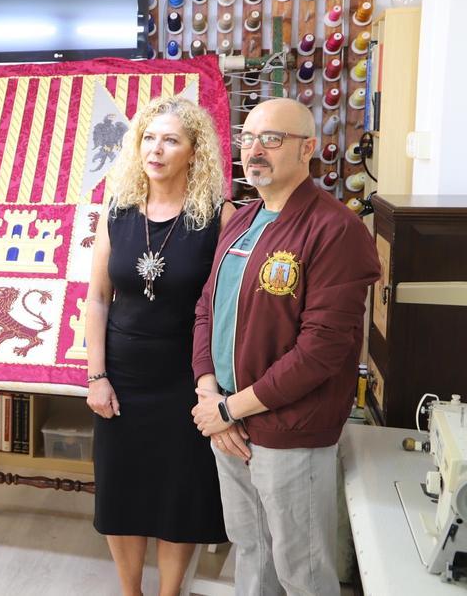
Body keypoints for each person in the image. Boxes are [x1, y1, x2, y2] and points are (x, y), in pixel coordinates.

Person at [191, 98, 380, 596]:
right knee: (250, 550)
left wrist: (231, 408)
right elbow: (207, 310)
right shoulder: (241, 219)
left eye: (272, 139)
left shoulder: (336, 229)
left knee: (303, 567)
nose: (256, 150)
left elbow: (323, 349)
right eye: (248, 138)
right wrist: (209, 395)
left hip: (288, 430)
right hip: (228, 422)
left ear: (307, 149)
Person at [85, 96, 232, 596]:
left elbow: (226, 309)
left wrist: (211, 387)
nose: (157, 148)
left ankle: (171, 594)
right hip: (123, 375)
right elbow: (98, 299)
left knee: (179, 496)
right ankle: (131, 592)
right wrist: (96, 376)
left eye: (171, 139)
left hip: (185, 379)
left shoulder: (219, 215)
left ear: (195, 151)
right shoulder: (119, 211)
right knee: (121, 491)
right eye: (149, 137)